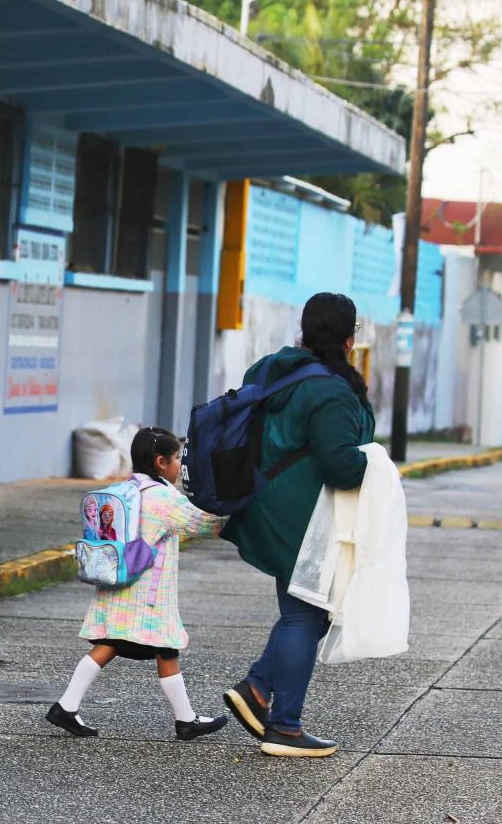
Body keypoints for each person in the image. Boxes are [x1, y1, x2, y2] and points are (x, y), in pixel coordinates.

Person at [221, 292, 375, 758]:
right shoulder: (329, 390)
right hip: (302, 516)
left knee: (304, 612)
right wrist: (380, 467)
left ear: (305, 331)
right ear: (349, 340)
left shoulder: (274, 368)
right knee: (306, 614)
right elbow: (341, 466)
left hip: (265, 503)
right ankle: (282, 724)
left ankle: (260, 691)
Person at [46, 427, 229, 741]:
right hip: (148, 594)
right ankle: (186, 721)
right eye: (175, 459)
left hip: (119, 583)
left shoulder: (126, 489)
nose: (178, 466)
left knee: (114, 644)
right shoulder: (162, 498)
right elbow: (203, 524)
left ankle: (67, 705)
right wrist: (233, 505)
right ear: (160, 462)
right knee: (164, 648)